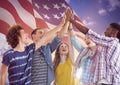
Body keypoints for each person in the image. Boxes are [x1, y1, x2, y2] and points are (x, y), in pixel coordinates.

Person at [66, 7, 120, 85]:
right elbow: (76, 41)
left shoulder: (113, 42)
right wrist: (70, 29)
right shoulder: (104, 48)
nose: (105, 31)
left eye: (108, 29)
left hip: (109, 81)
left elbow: (92, 34)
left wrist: (72, 20)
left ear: (114, 32)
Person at [31, 16, 69, 85]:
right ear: (33, 36)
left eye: (43, 33)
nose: (42, 35)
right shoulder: (28, 50)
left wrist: (67, 22)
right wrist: (60, 25)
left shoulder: (47, 48)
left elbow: (59, 37)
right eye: (40, 32)